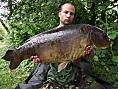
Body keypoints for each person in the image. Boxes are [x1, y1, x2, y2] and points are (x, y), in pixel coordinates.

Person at [15, 3, 96, 89]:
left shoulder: (79, 34)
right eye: (66, 12)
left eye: (71, 14)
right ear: (59, 14)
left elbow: (76, 62)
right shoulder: (49, 36)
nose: (68, 15)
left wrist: (81, 54)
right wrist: (40, 59)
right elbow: (45, 62)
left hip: (73, 75)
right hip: (54, 76)